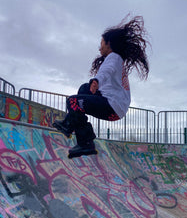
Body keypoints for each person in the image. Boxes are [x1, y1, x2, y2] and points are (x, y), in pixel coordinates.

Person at [53, 15, 150, 158]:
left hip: (112, 106)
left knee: (73, 102)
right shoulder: (118, 61)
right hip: (115, 107)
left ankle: (82, 139)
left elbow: (106, 71)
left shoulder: (114, 57)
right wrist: (94, 84)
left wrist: (96, 80)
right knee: (84, 89)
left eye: (102, 43)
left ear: (108, 43)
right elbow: (108, 72)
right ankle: (79, 133)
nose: (100, 47)